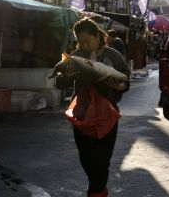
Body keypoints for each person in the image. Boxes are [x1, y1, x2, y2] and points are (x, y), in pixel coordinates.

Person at [55, 18, 130, 197]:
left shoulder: (113, 56)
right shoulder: (76, 56)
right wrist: (66, 75)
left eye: (87, 40)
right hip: (81, 115)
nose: (84, 45)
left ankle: (96, 193)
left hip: (107, 116)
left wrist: (120, 86)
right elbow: (59, 83)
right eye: (80, 41)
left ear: (98, 36)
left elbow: (126, 79)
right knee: (87, 159)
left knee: (102, 161)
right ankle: (97, 190)